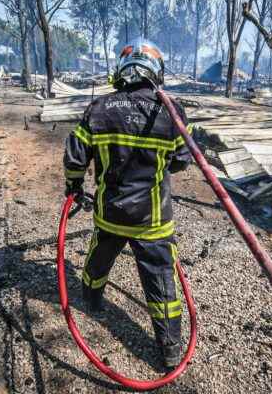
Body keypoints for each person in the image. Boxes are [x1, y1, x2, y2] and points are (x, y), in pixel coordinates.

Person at [63, 39, 193, 369]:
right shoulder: (172, 111)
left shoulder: (99, 108)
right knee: (161, 279)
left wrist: (74, 185)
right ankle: (169, 349)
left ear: (122, 70)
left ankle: (91, 301)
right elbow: (182, 159)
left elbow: (75, 156)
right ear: (156, 71)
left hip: (110, 215)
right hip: (153, 221)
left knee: (99, 258)